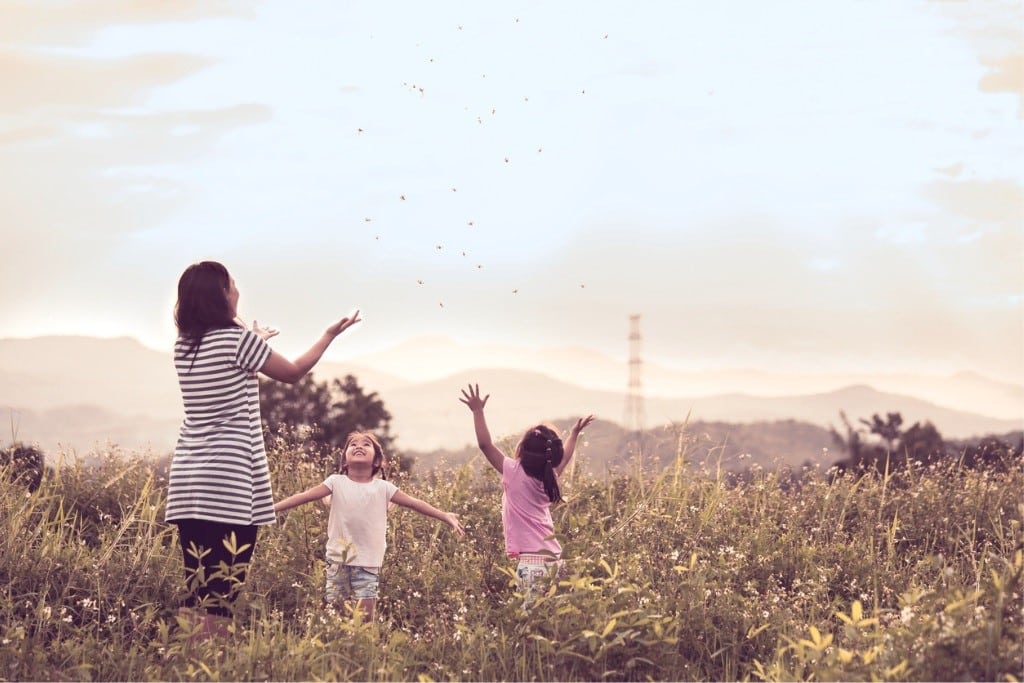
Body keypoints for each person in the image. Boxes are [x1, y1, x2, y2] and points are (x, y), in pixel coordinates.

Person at [165, 260, 361, 639]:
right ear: (221, 295)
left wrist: (252, 337)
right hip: (226, 481)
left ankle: (187, 662)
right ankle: (214, 667)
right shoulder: (238, 342)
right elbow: (292, 371)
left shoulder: (185, 346)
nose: (238, 290)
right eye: (232, 284)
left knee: (198, 585)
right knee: (222, 591)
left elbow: (229, 361)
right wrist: (327, 336)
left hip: (188, 483)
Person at [273, 430, 465, 621]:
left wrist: (444, 515)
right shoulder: (335, 482)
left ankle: (364, 650)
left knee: (365, 620)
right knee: (335, 617)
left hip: (368, 564)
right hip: (338, 561)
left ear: (376, 461)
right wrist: (271, 508)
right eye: (353, 444)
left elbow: (415, 503)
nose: (358, 446)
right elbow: (303, 497)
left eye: (366, 444)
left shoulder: (384, 488)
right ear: (345, 461)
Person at [459, 383, 594, 602]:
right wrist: (574, 434)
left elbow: (485, 445)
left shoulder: (512, 471)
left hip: (531, 563)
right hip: (556, 559)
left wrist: (477, 411)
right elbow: (566, 457)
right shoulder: (550, 475)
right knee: (553, 622)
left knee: (530, 624)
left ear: (521, 449)